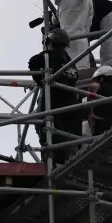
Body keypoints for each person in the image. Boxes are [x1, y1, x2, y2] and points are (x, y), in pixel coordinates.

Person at [27, 28, 83, 163]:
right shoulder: (70, 63)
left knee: (49, 136)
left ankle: (50, 162)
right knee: (69, 142)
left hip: (54, 105)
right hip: (70, 107)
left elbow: (33, 63)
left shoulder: (47, 57)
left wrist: (40, 80)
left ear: (49, 42)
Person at [87, 65, 112, 137]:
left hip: (103, 131)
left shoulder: (98, 86)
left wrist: (91, 113)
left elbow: (92, 87)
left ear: (101, 78)